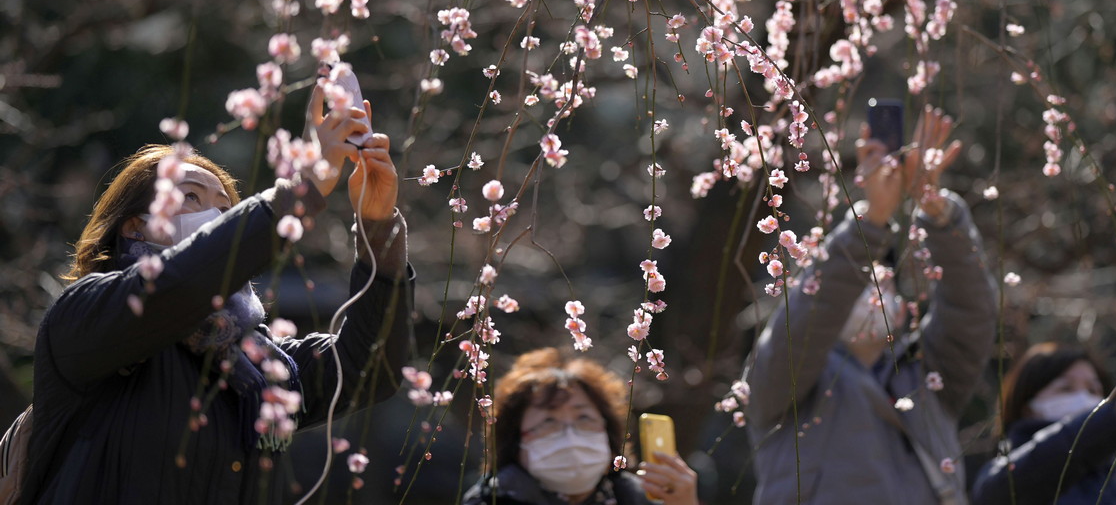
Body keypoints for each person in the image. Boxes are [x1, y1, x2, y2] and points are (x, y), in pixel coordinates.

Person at [21, 89, 413, 504]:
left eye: (224, 210)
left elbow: (370, 368)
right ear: (134, 227)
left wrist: (378, 227)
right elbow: (179, 286)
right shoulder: (87, 317)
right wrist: (304, 189)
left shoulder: (258, 364)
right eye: (190, 197)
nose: (211, 215)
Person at [744, 106, 997, 505]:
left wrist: (937, 212)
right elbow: (813, 315)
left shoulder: (930, 377)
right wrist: (874, 217)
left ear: (900, 311)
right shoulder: (784, 382)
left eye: (884, 284)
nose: (871, 293)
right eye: (861, 282)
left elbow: (971, 310)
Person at [462, 347, 699, 505]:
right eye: (548, 421)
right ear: (515, 443)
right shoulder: (487, 500)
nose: (570, 437)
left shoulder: (638, 498)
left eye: (584, 418)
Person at [971, 341, 1116, 504]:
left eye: (1093, 389)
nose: (1084, 398)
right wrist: (1114, 417)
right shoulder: (1002, 478)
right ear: (1028, 407)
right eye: (1066, 388)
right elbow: (1023, 479)